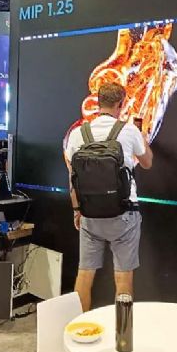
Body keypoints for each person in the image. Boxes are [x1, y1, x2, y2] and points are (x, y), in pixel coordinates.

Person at [64, 82, 153, 311]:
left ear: (97, 102)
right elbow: (147, 162)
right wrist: (142, 137)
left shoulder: (78, 134)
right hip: (124, 213)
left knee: (84, 275)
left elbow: (73, 178)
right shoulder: (129, 131)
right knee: (123, 277)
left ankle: (81, 327)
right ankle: (122, 330)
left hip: (89, 214)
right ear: (120, 105)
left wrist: (77, 210)